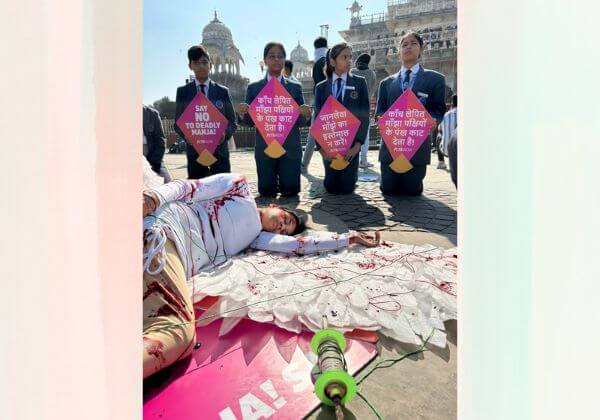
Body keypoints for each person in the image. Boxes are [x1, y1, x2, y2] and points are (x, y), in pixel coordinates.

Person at [142, 170, 381, 378]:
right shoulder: (239, 188)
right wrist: (152, 198)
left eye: (285, 229)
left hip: (170, 263)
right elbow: (188, 188)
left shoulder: (257, 238)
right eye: (285, 219)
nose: (282, 226)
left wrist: (348, 238)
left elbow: (300, 244)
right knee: (178, 334)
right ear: (275, 206)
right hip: (161, 235)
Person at [375, 31, 447, 195]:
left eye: (413, 43)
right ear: (398, 51)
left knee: (412, 191)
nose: (408, 47)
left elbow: (439, 109)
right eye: (404, 44)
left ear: (421, 49)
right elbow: (380, 110)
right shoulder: (386, 83)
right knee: (388, 190)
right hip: (390, 147)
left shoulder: (435, 79)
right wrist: (380, 119)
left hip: (417, 146)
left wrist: (433, 120)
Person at [238, 42, 311, 197]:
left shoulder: (294, 87)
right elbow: (249, 123)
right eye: (272, 56)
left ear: (284, 60)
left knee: (290, 191)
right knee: (266, 192)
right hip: (265, 148)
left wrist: (305, 115)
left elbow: (300, 123)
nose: (276, 60)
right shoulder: (254, 88)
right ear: (265, 61)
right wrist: (244, 113)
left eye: (280, 56)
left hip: (290, 147)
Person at [313, 43, 370, 194]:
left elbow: (364, 117)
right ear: (332, 61)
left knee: (347, 188)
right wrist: (321, 149)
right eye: (344, 57)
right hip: (329, 146)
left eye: (350, 57)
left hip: (351, 147)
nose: (349, 61)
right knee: (331, 187)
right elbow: (317, 119)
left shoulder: (359, 83)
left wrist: (357, 145)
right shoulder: (321, 87)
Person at [175, 45, 237, 179]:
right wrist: (187, 135)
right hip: (195, 152)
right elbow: (177, 123)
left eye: (204, 62)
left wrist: (225, 133)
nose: (201, 66)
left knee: (222, 190)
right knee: (198, 191)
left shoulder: (222, 91)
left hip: (219, 151)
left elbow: (232, 121)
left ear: (211, 64)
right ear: (190, 66)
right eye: (196, 63)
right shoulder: (183, 92)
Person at [301, 36, 329, 173]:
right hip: (327, 103)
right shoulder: (327, 61)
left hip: (319, 101)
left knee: (313, 136)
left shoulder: (318, 61)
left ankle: (304, 164)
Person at [349, 53, 377, 169]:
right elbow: (372, 91)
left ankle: (349, 158)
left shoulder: (351, 72)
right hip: (364, 108)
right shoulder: (371, 74)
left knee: (350, 134)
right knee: (364, 135)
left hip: (350, 108)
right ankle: (363, 160)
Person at [143, 105, 171, 182]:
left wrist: (154, 164)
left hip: (152, 158)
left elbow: (160, 140)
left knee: (168, 184)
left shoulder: (153, 114)